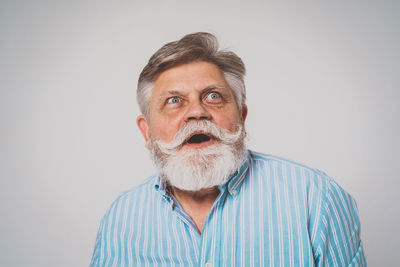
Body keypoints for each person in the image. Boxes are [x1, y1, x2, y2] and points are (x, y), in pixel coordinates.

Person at [90, 32, 366, 266]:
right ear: (146, 131)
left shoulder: (316, 199)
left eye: (213, 96)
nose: (197, 112)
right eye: (174, 100)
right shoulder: (121, 218)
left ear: (242, 118)